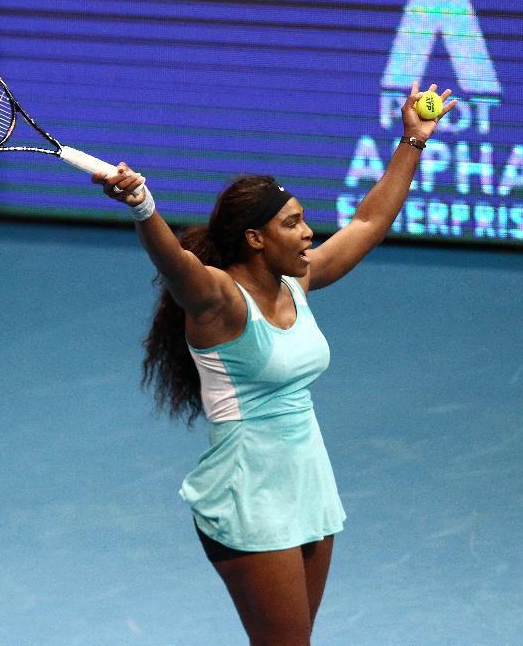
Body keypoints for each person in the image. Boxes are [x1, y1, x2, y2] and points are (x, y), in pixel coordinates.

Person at [94, 82, 456, 646]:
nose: (309, 232)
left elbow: (366, 225)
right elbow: (174, 262)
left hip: (308, 483)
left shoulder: (299, 280)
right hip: (248, 495)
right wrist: (143, 206)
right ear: (256, 239)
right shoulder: (218, 301)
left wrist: (412, 140)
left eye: (304, 219)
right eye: (292, 224)